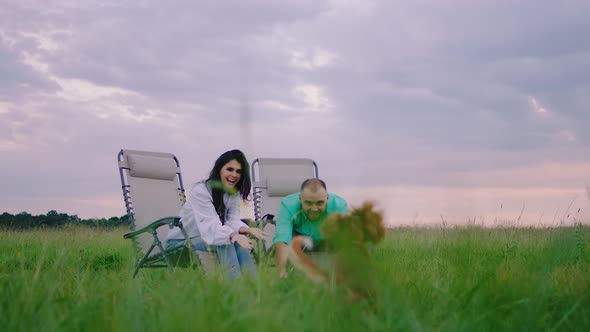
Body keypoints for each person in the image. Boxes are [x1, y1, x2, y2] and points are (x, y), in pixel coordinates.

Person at [166, 149, 265, 280]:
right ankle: (237, 292)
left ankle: (254, 290)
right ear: (219, 169)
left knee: (235, 240)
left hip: (205, 239)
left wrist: (246, 229)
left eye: (238, 171)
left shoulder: (233, 193)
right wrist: (233, 235)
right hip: (179, 243)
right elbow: (211, 227)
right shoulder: (201, 191)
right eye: (230, 169)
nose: (234, 174)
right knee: (226, 241)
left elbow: (232, 221)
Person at [272, 178, 348, 278]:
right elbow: (282, 241)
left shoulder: (339, 206)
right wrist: (281, 271)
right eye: (308, 203)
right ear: (300, 199)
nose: (314, 209)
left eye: (320, 203)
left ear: (327, 198)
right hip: (299, 241)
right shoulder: (288, 206)